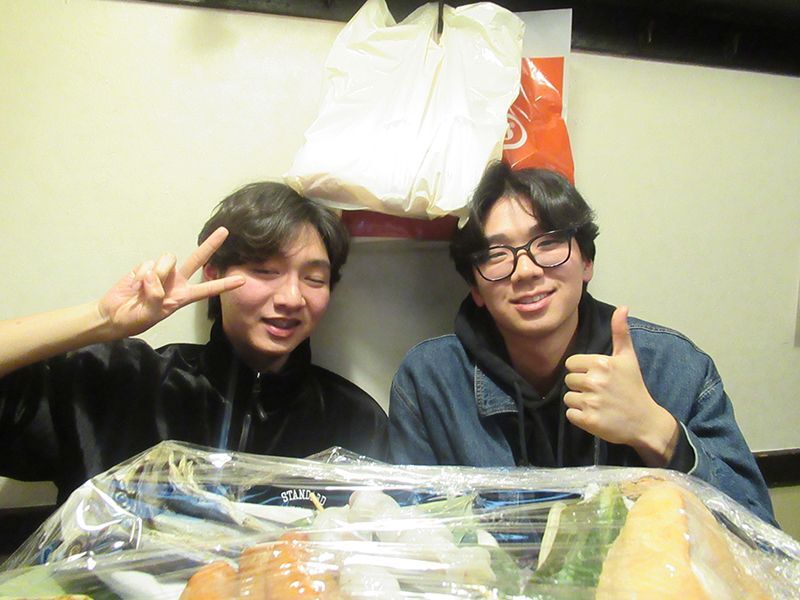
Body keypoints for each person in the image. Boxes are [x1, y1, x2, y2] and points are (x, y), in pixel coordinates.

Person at [388, 162, 775, 525]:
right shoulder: (430, 382)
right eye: (496, 254)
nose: (526, 270)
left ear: (586, 261)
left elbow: (759, 532)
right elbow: (411, 539)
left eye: (547, 243)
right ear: (475, 286)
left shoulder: (672, 366)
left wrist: (655, 430)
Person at [0, 182, 386, 503]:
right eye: (265, 270)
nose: (291, 297)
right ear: (213, 273)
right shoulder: (118, 383)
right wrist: (102, 318)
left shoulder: (355, 420)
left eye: (314, 279)